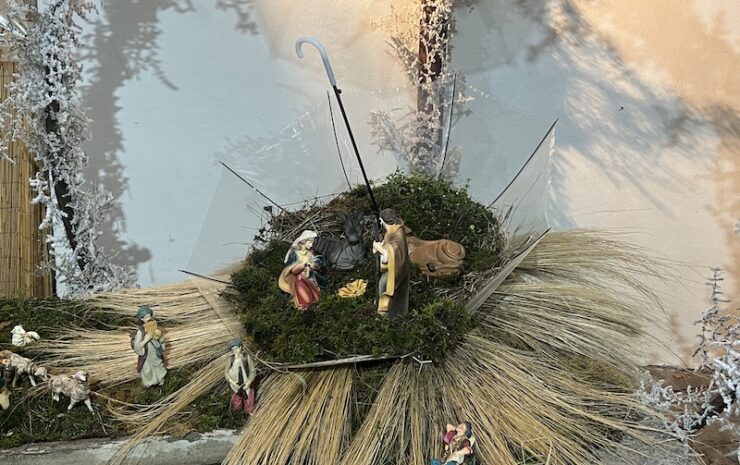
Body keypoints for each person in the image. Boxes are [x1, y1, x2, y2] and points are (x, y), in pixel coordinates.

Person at [372, 208, 410, 317]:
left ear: (382, 220)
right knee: (382, 287)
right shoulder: (391, 232)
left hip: (395, 271)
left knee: (385, 288)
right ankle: (384, 312)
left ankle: (385, 314)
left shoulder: (397, 233)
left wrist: (378, 248)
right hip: (391, 269)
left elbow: (391, 254)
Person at [278, 230, 325, 310]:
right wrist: (304, 264)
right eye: (310, 242)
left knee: (316, 296)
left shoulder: (312, 253)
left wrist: (312, 264)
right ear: (304, 241)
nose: (311, 245)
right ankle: (302, 303)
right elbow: (292, 269)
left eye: (312, 242)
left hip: (310, 277)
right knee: (305, 296)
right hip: (298, 278)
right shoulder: (294, 253)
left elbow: (317, 265)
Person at [130, 306, 167, 387]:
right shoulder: (140, 332)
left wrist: (160, 336)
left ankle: (160, 380)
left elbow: (161, 340)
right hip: (146, 354)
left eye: (150, 316)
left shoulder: (155, 327)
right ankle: (150, 383)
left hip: (155, 351)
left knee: (159, 366)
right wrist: (146, 339)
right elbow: (137, 346)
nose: (149, 318)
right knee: (147, 370)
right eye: (146, 317)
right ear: (142, 319)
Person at [225, 339, 256, 414]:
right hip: (235, 384)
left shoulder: (246, 358)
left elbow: (252, 371)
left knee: (248, 398)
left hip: (246, 383)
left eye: (236, 348)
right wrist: (231, 382)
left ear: (241, 348)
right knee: (236, 399)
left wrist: (249, 382)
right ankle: (238, 412)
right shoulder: (231, 359)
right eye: (233, 350)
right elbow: (226, 372)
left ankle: (249, 410)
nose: (235, 351)